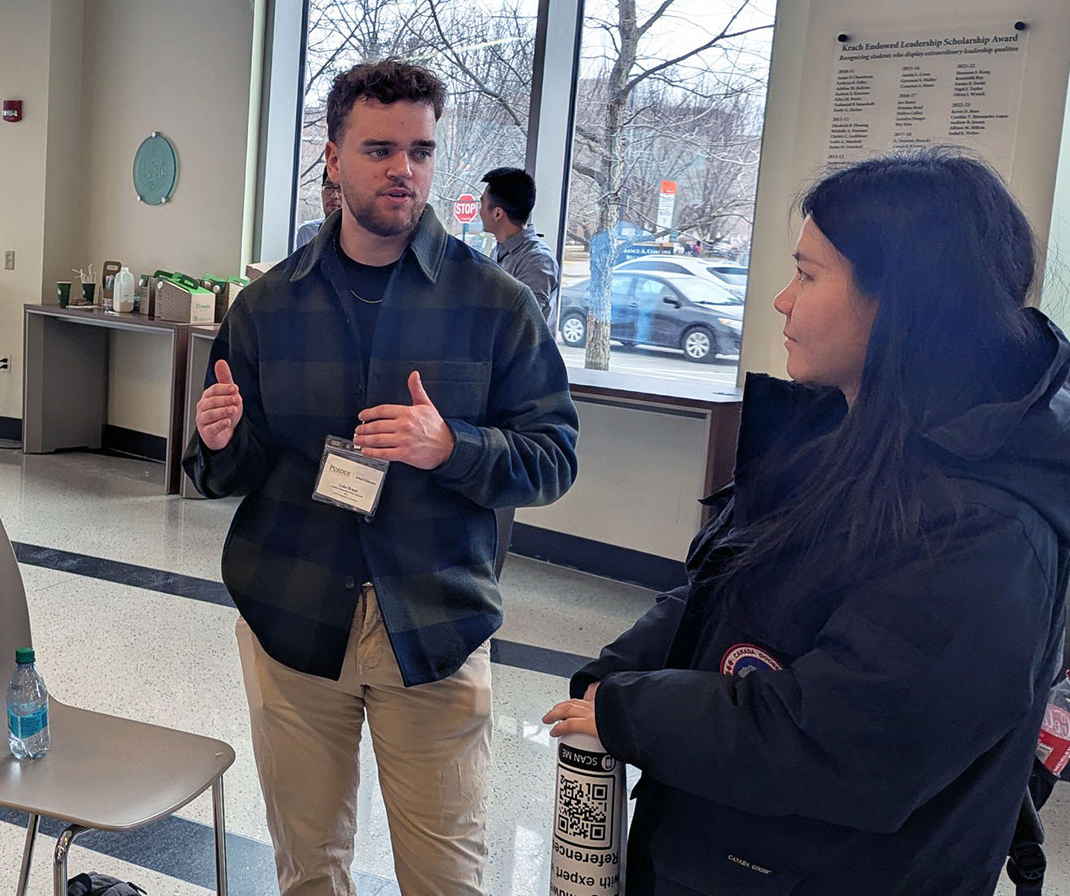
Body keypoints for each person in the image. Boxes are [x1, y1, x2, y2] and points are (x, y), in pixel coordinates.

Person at [545, 150, 1070, 895]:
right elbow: (738, 583)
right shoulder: (850, 431)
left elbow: (838, 740)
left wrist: (633, 711)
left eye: (809, 274)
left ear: (903, 305)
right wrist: (624, 666)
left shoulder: (987, 532)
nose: (783, 301)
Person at [186, 59, 579, 896]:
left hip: (432, 623)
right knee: (309, 870)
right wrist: (220, 441)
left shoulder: (495, 305)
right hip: (292, 619)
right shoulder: (268, 307)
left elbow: (554, 456)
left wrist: (453, 447)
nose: (403, 169)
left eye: (421, 151)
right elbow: (229, 473)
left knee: (447, 876)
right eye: (379, 150)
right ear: (333, 158)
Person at [478, 166, 559, 328]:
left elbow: (524, 324)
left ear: (497, 214)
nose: (479, 212)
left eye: (482, 204)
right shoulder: (499, 250)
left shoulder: (538, 261)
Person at [292, 176, 343, 252]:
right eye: (328, 187)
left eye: (341, 189)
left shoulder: (361, 238)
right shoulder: (308, 233)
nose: (334, 196)